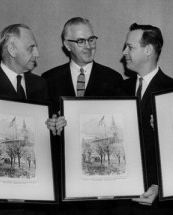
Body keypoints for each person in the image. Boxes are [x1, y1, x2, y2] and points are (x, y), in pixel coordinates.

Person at [42, 17, 123, 215]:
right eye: (80, 41)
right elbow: (40, 132)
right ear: (66, 45)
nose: (88, 46)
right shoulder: (47, 80)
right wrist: (49, 126)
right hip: (62, 187)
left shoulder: (113, 79)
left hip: (101, 188)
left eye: (91, 39)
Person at [0, 24, 52, 215]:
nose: (37, 53)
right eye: (31, 47)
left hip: (36, 201)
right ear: (12, 50)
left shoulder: (40, 84)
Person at [122, 23, 173, 214]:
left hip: (155, 200)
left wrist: (159, 186)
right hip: (120, 200)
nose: (124, 52)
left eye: (130, 47)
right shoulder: (117, 89)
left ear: (148, 50)